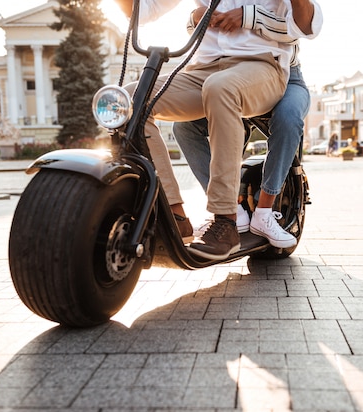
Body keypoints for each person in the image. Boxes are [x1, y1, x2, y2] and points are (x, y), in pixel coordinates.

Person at [114, 0, 322, 260]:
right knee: (128, 101)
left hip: (262, 64)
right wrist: (196, 16)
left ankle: (227, 221)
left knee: (222, 89)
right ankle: (174, 215)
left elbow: (307, 25)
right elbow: (141, 12)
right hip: (205, 67)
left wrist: (248, 16)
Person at [173, 1, 322, 248]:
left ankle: (264, 211)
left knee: (288, 118)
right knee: (184, 127)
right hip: (228, 74)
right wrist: (197, 17)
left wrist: (249, 17)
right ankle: (230, 209)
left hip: (283, 75)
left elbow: (302, 28)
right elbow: (202, 33)